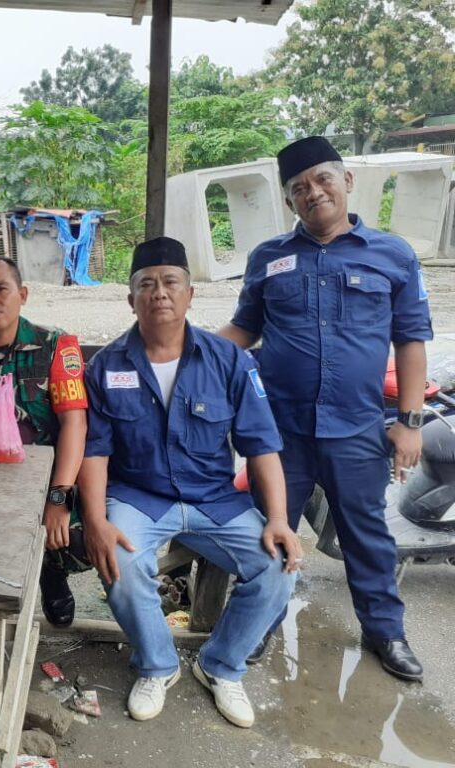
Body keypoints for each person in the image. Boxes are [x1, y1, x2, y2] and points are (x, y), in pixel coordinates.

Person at [219, 136, 432, 682]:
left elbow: (411, 340)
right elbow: (245, 328)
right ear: (289, 200)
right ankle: (257, 623)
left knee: (366, 535)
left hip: (357, 429)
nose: (313, 192)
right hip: (279, 432)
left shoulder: (392, 254)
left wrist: (410, 424)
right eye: (299, 188)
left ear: (346, 181)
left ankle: (384, 631)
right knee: (269, 530)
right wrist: (185, 356)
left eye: (322, 180)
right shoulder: (268, 258)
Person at [80, 237, 301, 728]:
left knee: (279, 565)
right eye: (146, 284)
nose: (159, 292)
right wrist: (95, 520)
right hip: (138, 495)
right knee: (118, 559)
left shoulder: (230, 361)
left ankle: (221, 665)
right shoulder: (107, 366)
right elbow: (94, 451)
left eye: (170, 282)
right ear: (131, 298)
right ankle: (157, 665)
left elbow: (262, 446)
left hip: (213, 498)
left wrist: (279, 519)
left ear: (189, 293)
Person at [0, 255, 89, 627]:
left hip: (48, 481)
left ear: (22, 294)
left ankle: (51, 571)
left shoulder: (56, 346)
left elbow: (74, 423)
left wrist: (59, 497)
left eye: (1, 289)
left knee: (81, 542)